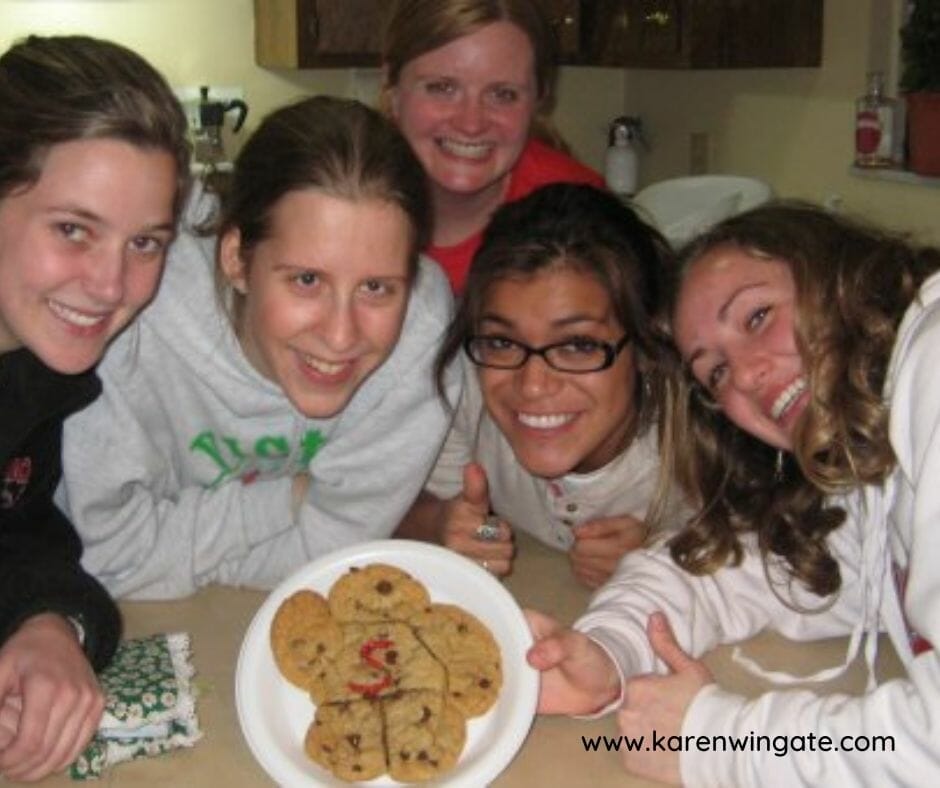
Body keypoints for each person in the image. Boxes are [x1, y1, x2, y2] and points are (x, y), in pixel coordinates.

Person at [525, 202, 940, 785]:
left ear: (836, 272)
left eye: (757, 317)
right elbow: (730, 571)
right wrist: (607, 650)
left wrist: (715, 739)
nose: (745, 375)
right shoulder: (864, 470)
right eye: (715, 372)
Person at [56, 95, 459, 600]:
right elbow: (107, 554)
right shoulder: (131, 313)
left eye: (377, 288)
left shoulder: (421, 332)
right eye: (307, 280)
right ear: (236, 260)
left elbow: (335, 552)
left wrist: (164, 549)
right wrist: (289, 499)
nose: (340, 336)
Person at [0, 34, 189, 781]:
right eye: (73, 229)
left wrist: (48, 621)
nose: (111, 286)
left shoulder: (37, 372)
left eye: (145, 242)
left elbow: (20, 525)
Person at [397, 183, 687, 588]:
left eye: (578, 346)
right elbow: (470, 522)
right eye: (502, 342)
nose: (532, 386)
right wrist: (442, 523)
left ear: (645, 346)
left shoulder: (700, 443)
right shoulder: (463, 387)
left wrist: (669, 559)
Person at [381, 0, 605, 295]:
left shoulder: (584, 217)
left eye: (503, 94)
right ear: (393, 89)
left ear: (539, 98)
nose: (471, 123)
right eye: (442, 88)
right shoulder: (340, 200)